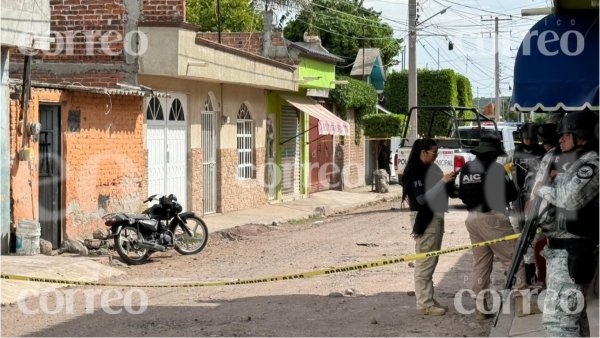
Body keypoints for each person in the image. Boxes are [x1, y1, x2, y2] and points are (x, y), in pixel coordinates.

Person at [531, 111, 599, 337]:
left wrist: (541, 188)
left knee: (558, 322)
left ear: (582, 136)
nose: (560, 139)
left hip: (573, 252)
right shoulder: (573, 163)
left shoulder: (592, 164)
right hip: (561, 251)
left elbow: (568, 198)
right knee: (573, 319)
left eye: (566, 135)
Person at [458, 135, 539, 320]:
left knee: (481, 263)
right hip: (492, 218)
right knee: (514, 257)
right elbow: (511, 194)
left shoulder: (467, 168)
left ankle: (481, 308)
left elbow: (461, 195)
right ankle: (523, 304)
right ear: (493, 153)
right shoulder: (495, 168)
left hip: (472, 219)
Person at [401, 139, 457, 316]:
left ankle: (429, 299)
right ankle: (424, 303)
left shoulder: (431, 169)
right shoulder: (414, 171)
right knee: (425, 262)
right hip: (425, 219)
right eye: (434, 153)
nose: (436, 156)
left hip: (436, 216)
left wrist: (450, 181)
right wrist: (442, 181)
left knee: (431, 260)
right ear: (423, 152)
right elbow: (421, 199)